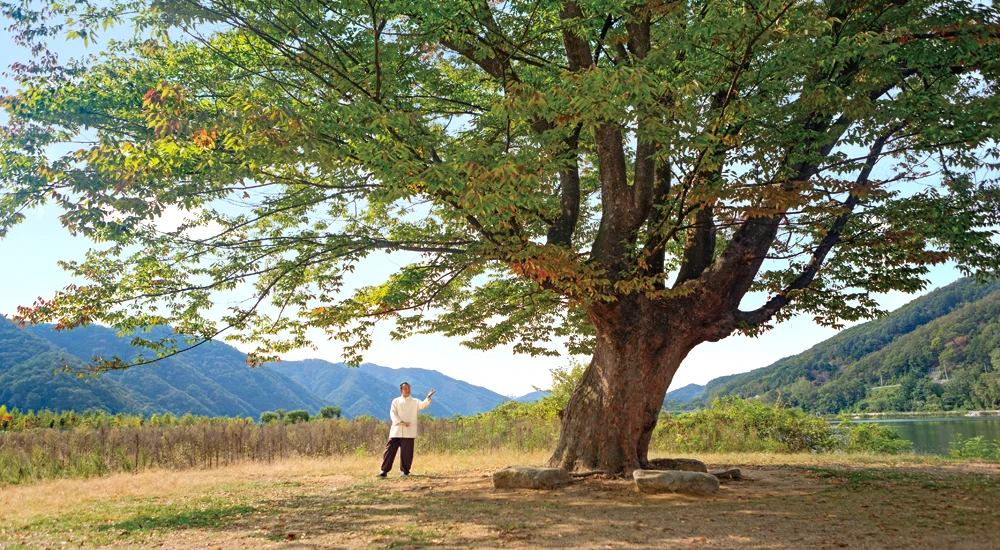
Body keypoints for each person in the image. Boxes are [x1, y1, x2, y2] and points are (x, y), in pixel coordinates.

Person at [378, 382, 435, 477]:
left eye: (409, 388)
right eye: (405, 388)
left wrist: (428, 397)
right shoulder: (395, 401)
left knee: (407, 453)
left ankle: (405, 472)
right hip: (396, 431)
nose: (408, 390)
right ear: (401, 390)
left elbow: (424, 405)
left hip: (409, 432)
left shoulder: (415, 401)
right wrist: (400, 422)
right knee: (389, 451)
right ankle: (384, 471)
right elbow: (393, 413)